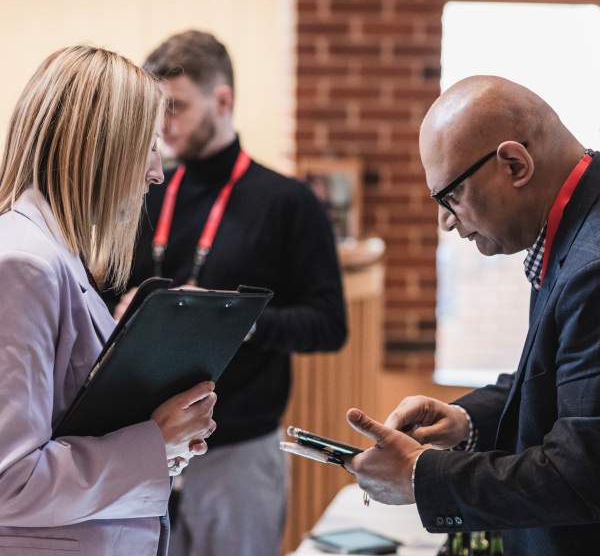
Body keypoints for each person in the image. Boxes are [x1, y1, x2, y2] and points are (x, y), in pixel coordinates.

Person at [104, 30, 347, 556]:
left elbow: (329, 325)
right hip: (137, 446)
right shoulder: (145, 189)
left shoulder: (288, 202)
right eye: (156, 110)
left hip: (236, 452)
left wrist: (233, 320)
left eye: (176, 108)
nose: (162, 126)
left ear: (223, 100)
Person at [342, 76, 600, 555]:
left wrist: (420, 478)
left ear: (514, 164)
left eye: (450, 197)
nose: (445, 221)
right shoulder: (577, 229)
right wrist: (466, 420)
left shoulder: (593, 264)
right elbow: (560, 387)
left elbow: (580, 475)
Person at [0, 45, 217, 556]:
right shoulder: (23, 264)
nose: (156, 174)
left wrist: (166, 438)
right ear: (97, 148)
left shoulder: (56, 256)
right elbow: (11, 482)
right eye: (147, 147)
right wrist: (154, 443)